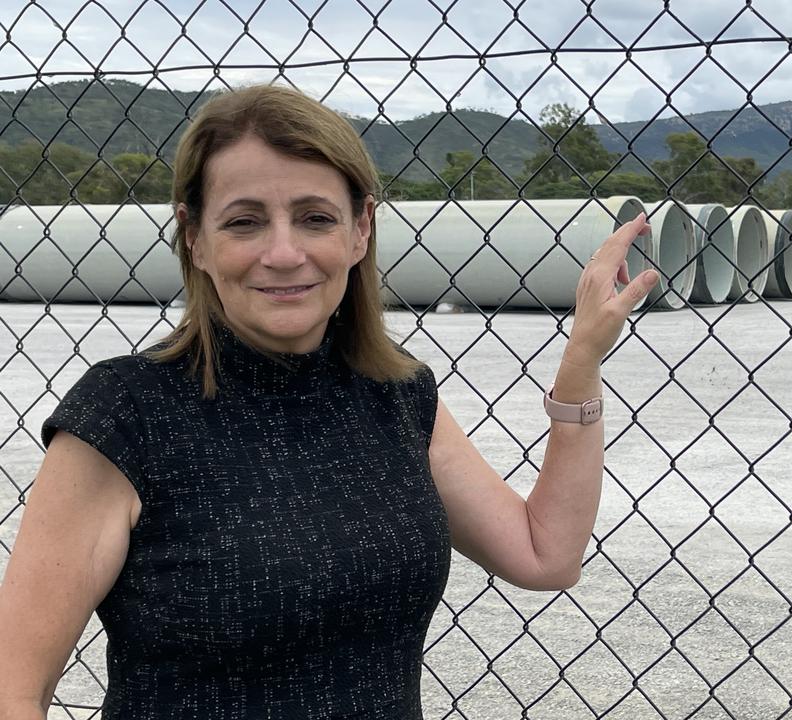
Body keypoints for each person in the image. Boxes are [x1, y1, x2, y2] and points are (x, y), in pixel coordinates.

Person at [0, 83, 658, 719]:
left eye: (315, 218)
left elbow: (546, 555)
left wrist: (580, 367)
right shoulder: (125, 415)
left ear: (360, 229)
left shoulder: (398, 396)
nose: (284, 254)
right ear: (194, 237)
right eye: (245, 222)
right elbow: (12, 691)